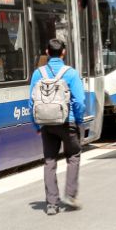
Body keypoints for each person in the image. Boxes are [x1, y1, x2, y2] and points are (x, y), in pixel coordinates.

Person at [29, 39, 87, 215]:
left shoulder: (38, 74)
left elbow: (31, 102)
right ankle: (70, 194)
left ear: (47, 52)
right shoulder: (71, 73)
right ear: (64, 53)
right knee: (73, 156)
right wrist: (78, 121)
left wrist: (36, 125)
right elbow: (80, 101)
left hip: (47, 124)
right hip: (67, 122)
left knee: (50, 160)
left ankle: (52, 204)